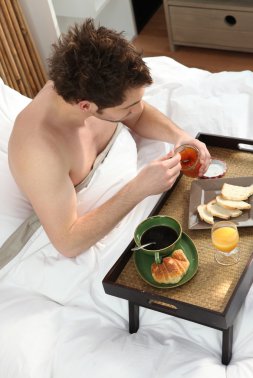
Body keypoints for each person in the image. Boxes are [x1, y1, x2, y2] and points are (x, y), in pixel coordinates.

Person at [8, 19, 210, 258]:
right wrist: (139, 188)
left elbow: (138, 114)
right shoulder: (39, 151)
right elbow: (68, 243)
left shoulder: (90, 86)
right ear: (86, 106)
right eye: (128, 107)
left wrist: (180, 137)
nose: (137, 109)